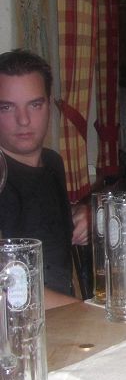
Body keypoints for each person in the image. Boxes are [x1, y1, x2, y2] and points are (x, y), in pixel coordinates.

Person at [0, 49, 88, 309]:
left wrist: (81, 213)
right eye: (6, 107)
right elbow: (8, 290)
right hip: (19, 326)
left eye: (35, 105)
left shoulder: (52, 163)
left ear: (49, 105)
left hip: (63, 317)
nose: (23, 120)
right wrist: (83, 312)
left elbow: (38, 216)